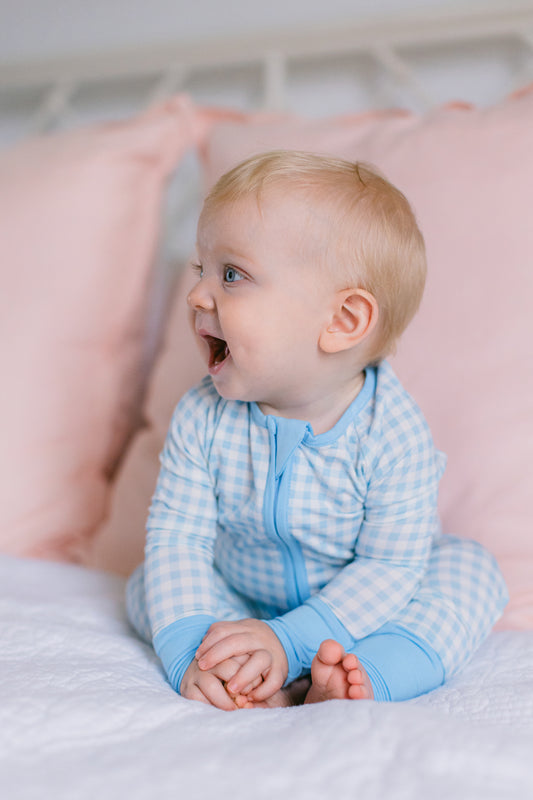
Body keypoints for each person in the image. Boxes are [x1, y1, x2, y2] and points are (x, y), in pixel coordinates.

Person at [126, 150, 508, 710]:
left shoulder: (393, 434)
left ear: (342, 322)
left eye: (231, 274)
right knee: (147, 585)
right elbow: (178, 537)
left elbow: (389, 566)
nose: (197, 295)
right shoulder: (201, 416)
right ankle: (236, 671)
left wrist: (293, 639)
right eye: (200, 270)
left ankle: (364, 675)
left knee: (471, 571)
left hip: (363, 608)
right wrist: (188, 651)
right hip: (242, 596)